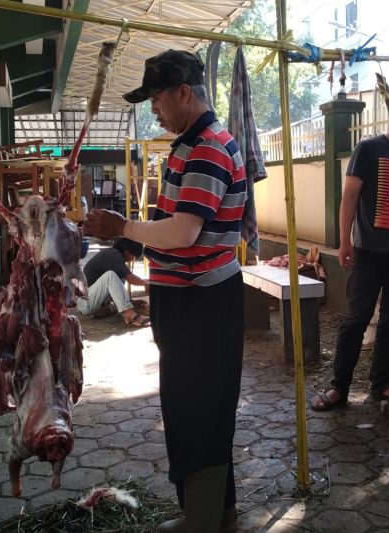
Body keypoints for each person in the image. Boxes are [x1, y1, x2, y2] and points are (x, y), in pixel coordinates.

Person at [82, 49, 247, 533]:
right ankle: (217, 513)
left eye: (156, 98)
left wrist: (124, 226)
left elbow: (183, 232)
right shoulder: (187, 145)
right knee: (198, 407)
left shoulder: (209, 147)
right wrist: (132, 236)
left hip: (204, 301)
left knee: (198, 410)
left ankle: (202, 521)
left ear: (183, 92)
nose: (152, 108)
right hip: (186, 298)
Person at [312, 88, 389, 411]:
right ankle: (339, 386)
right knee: (356, 319)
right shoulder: (368, 149)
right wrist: (344, 241)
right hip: (368, 252)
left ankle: (382, 382)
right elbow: (350, 197)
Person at [76, 238, 150, 327]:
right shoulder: (113, 255)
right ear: (127, 251)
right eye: (133, 256)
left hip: (92, 301)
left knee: (120, 277)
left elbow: (116, 286)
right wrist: (146, 283)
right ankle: (129, 314)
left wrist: (131, 302)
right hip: (84, 303)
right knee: (111, 276)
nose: (132, 259)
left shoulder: (113, 255)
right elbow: (131, 279)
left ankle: (118, 308)